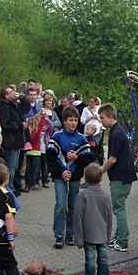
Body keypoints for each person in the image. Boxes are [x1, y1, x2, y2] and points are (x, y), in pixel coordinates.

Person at [47, 106, 95, 248]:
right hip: (59, 175)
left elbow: (89, 157)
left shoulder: (81, 138)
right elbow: (50, 157)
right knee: (61, 205)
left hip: (75, 177)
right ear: (64, 121)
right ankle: (59, 235)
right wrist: (61, 171)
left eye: (75, 120)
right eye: (70, 120)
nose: (73, 123)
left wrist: (77, 157)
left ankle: (71, 234)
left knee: (73, 206)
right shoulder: (57, 136)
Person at [98, 104, 137, 252]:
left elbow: (113, 159)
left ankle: (122, 241)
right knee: (119, 207)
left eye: (102, 118)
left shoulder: (116, 133)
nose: (101, 121)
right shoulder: (118, 131)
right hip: (123, 176)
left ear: (110, 116)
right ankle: (119, 236)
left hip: (120, 177)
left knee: (119, 208)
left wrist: (101, 171)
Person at [73, 163, 113, 275]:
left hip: (88, 233)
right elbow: (109, 217)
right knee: (103, 259)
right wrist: (108, 235)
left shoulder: (82, 195)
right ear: (101, 179)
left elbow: (77, 217)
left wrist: (78, 238)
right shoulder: (106, 196)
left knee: (90, 259)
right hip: (102, 233)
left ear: (85, 178)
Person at [0, 86, 26, 193]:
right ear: (5, 95)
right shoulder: (4, 107)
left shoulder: (14, 105)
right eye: (11, 92)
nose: (14, 93)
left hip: (17, 141)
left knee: (14, 166)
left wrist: (22, 97)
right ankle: (8, 188)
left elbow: (25, 107)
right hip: (10, 141)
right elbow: (6, 124)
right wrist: (20, 125)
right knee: (10, 167)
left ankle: (10, 187)